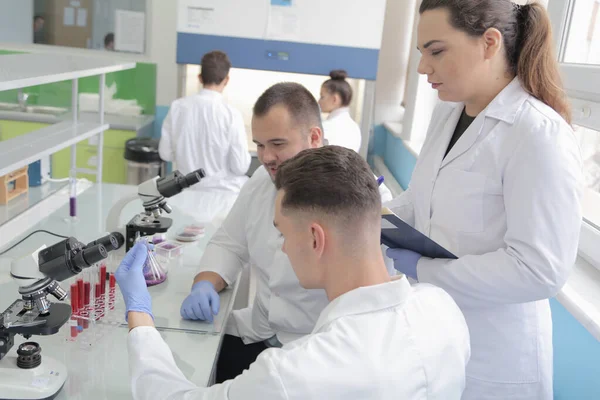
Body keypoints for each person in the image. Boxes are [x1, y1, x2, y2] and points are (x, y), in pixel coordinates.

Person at [116, 145, 471, 399]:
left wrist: (140, 315)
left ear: (316, 238)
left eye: (283, 233)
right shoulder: (443, 310)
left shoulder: (298, 372)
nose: (282, 247)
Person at [385, 1, 583, 399]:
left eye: (436, 51)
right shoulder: (448, 114)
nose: (423, 67)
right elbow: (424, 199)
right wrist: (374, 217)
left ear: (489, 43)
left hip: (496, 360)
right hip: (437, 334)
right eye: (422, 52)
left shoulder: (538, 133)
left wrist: (425, 269)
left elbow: (538, 270)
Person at [179, 82, 393, 383]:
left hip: (315, 349)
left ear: (314, 136)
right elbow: (229, 242)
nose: (266, 157)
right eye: (260, 144)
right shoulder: (261, 180)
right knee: (193, 366)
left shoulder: (358, 191)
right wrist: (204, 284)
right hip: (259, 332)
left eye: (277, 144)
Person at [159, 50, 251, 192]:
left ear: (200, 78)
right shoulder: (232, 115)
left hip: (186, 193)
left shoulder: (178, 107)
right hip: (222, 195)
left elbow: (165, 153)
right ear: (226, 80)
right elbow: (240, 167)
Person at [318, 70, 362, 152]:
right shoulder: (355, 128)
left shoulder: (326, 128)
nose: (319, 101)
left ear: (335, 99)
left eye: (322, 96)